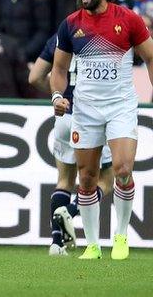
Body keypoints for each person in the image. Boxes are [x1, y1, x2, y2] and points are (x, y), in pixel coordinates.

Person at [50, 0, 153, 260]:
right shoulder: (70, 24)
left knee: (122, 170)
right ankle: (92, 245)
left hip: (120, 106)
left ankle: (120, 236)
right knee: (86, 178)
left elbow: (150, 57)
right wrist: (57, 94)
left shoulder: (129, 20)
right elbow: (58, 68)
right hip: (86, 110)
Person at [29, 33, 114, 256]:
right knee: (106, 179)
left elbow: (34, 77)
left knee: (64, 180)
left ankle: (56, 243)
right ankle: (71, 209)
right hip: (92, 117)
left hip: (64, 115)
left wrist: (58, 96)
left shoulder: (61, 37)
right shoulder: (104, 36)